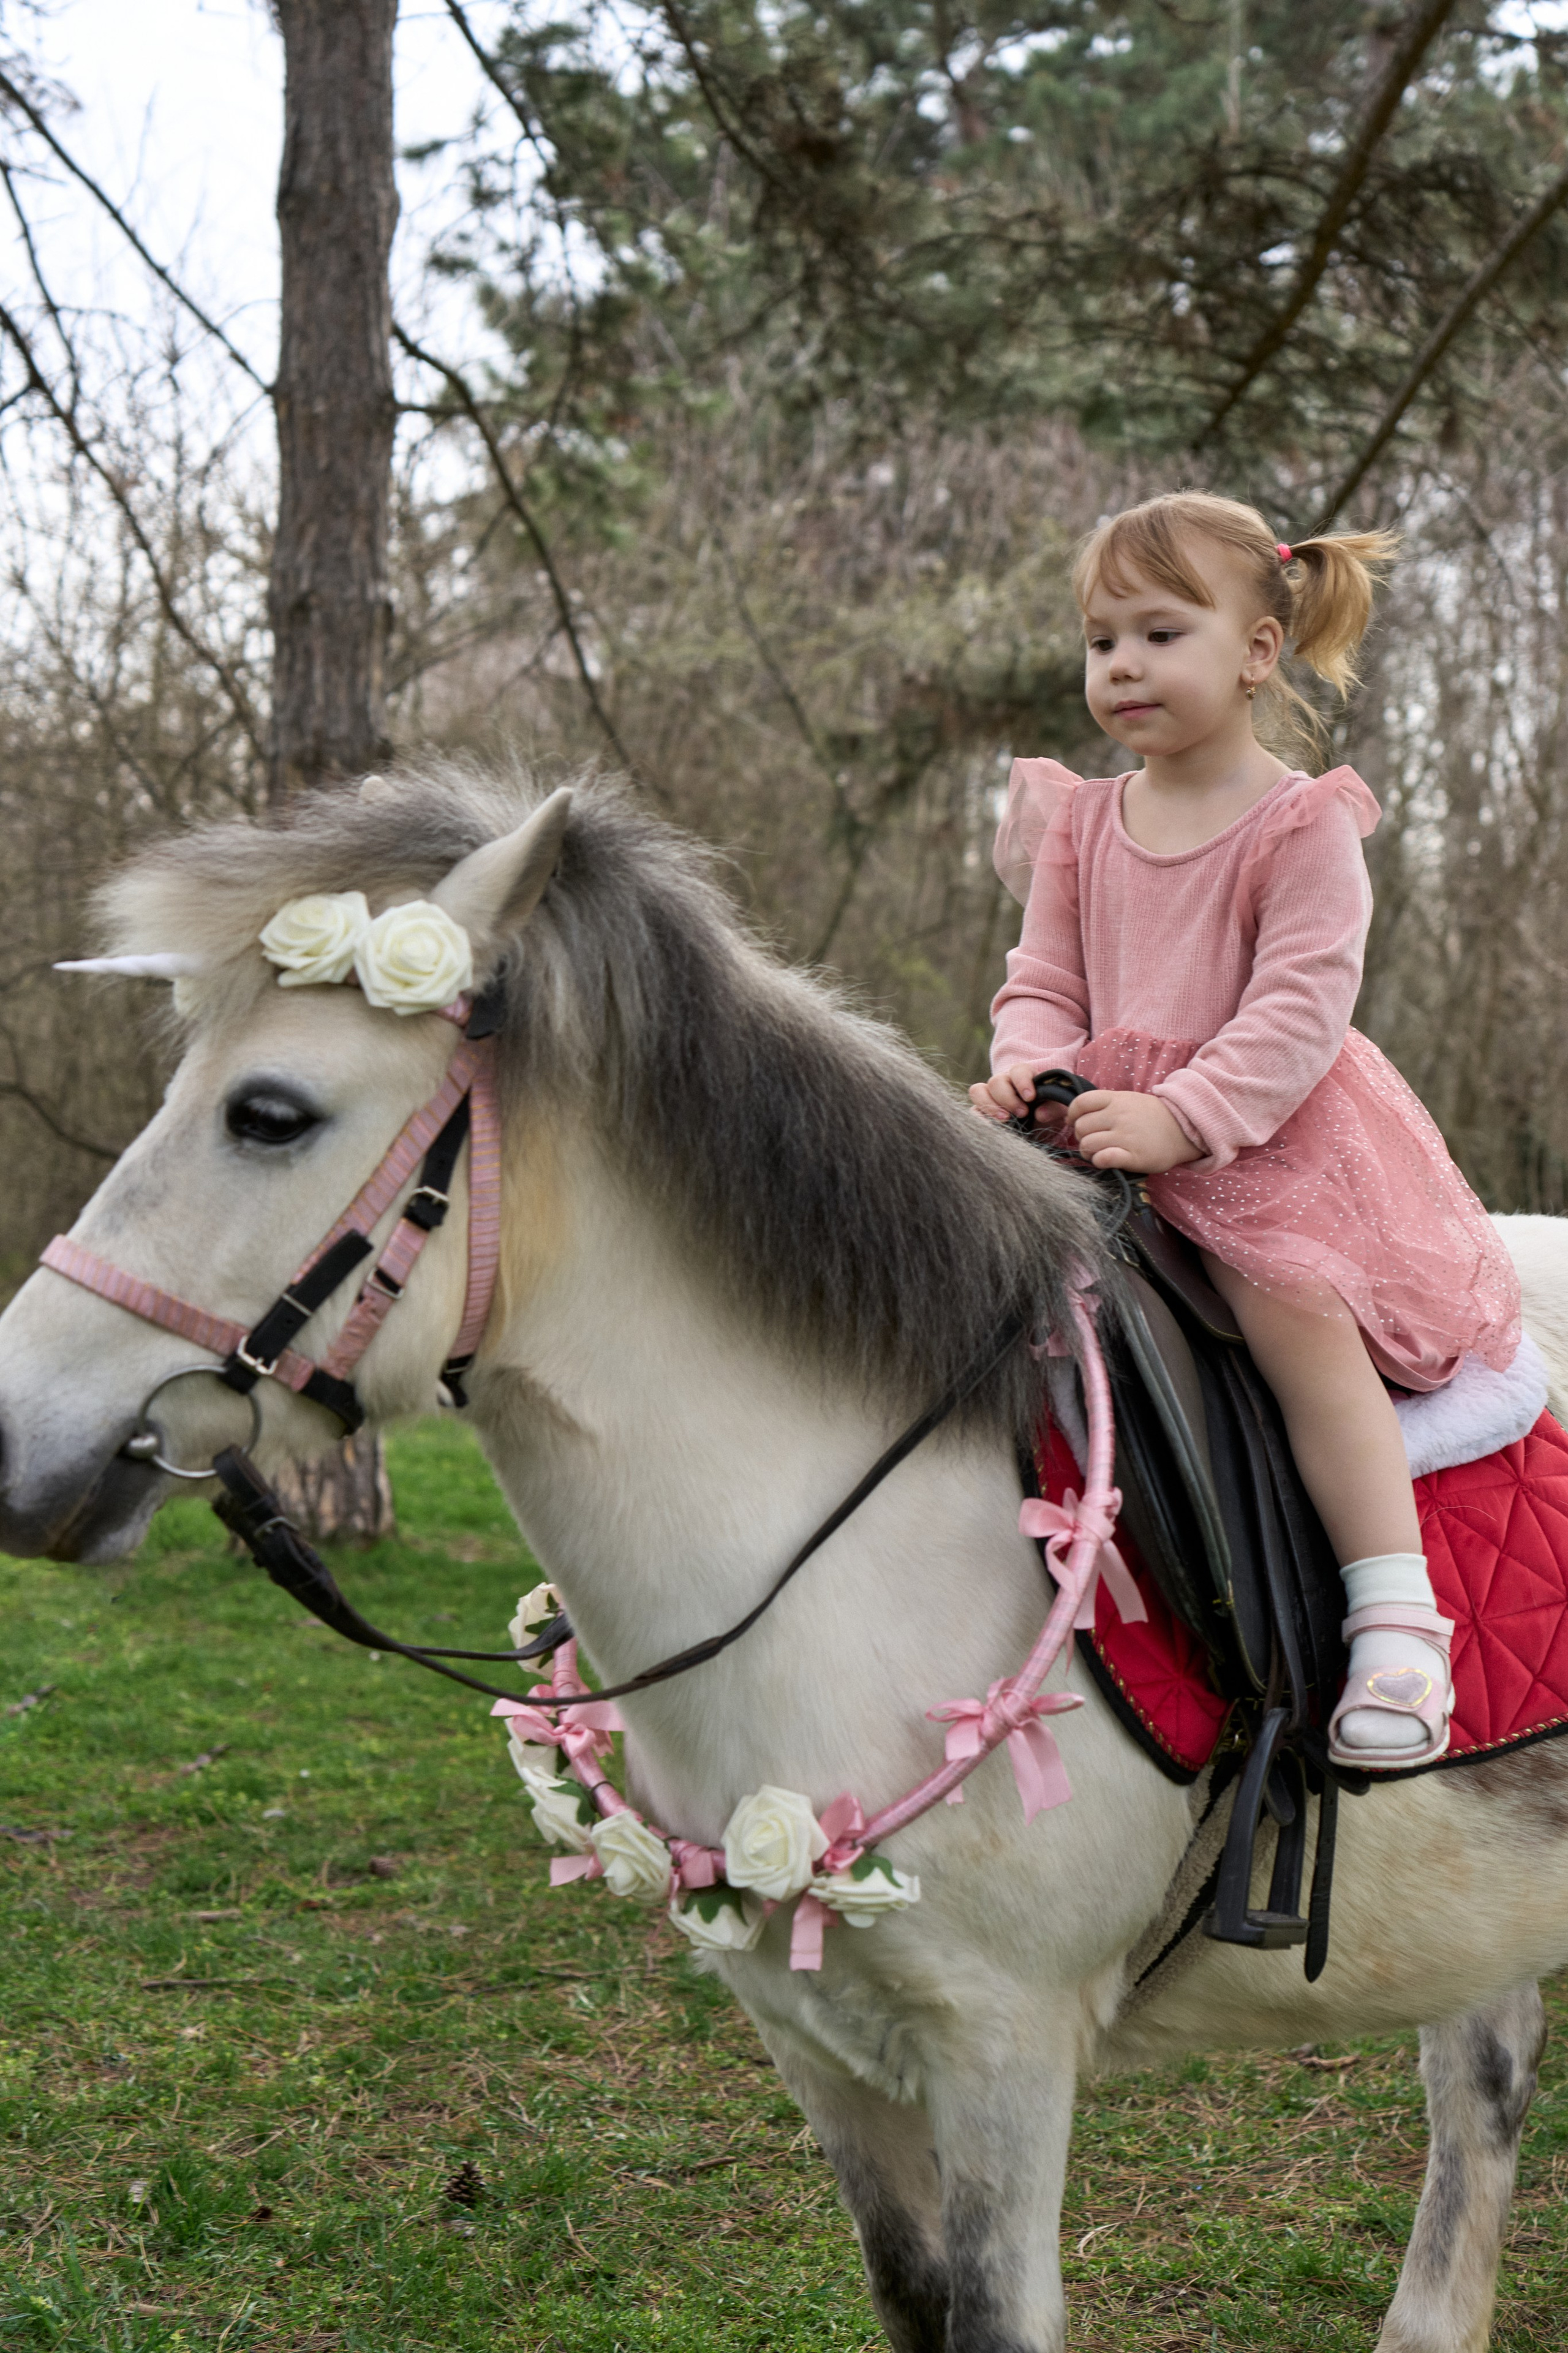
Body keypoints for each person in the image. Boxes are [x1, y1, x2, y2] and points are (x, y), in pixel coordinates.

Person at [970, 491, 1520, 1769]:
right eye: (1101, 639)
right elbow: (1042, 979)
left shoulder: (1301, 822)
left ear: (1257, 652)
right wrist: (1026, 1071)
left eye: (1160, 634)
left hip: (1267, 1144)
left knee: (1291, 1312)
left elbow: (1297, 1009)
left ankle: (1395, 1615)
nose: (1121, 665)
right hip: (1097, 1132)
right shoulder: (1081, 824)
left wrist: (1184, 1114)